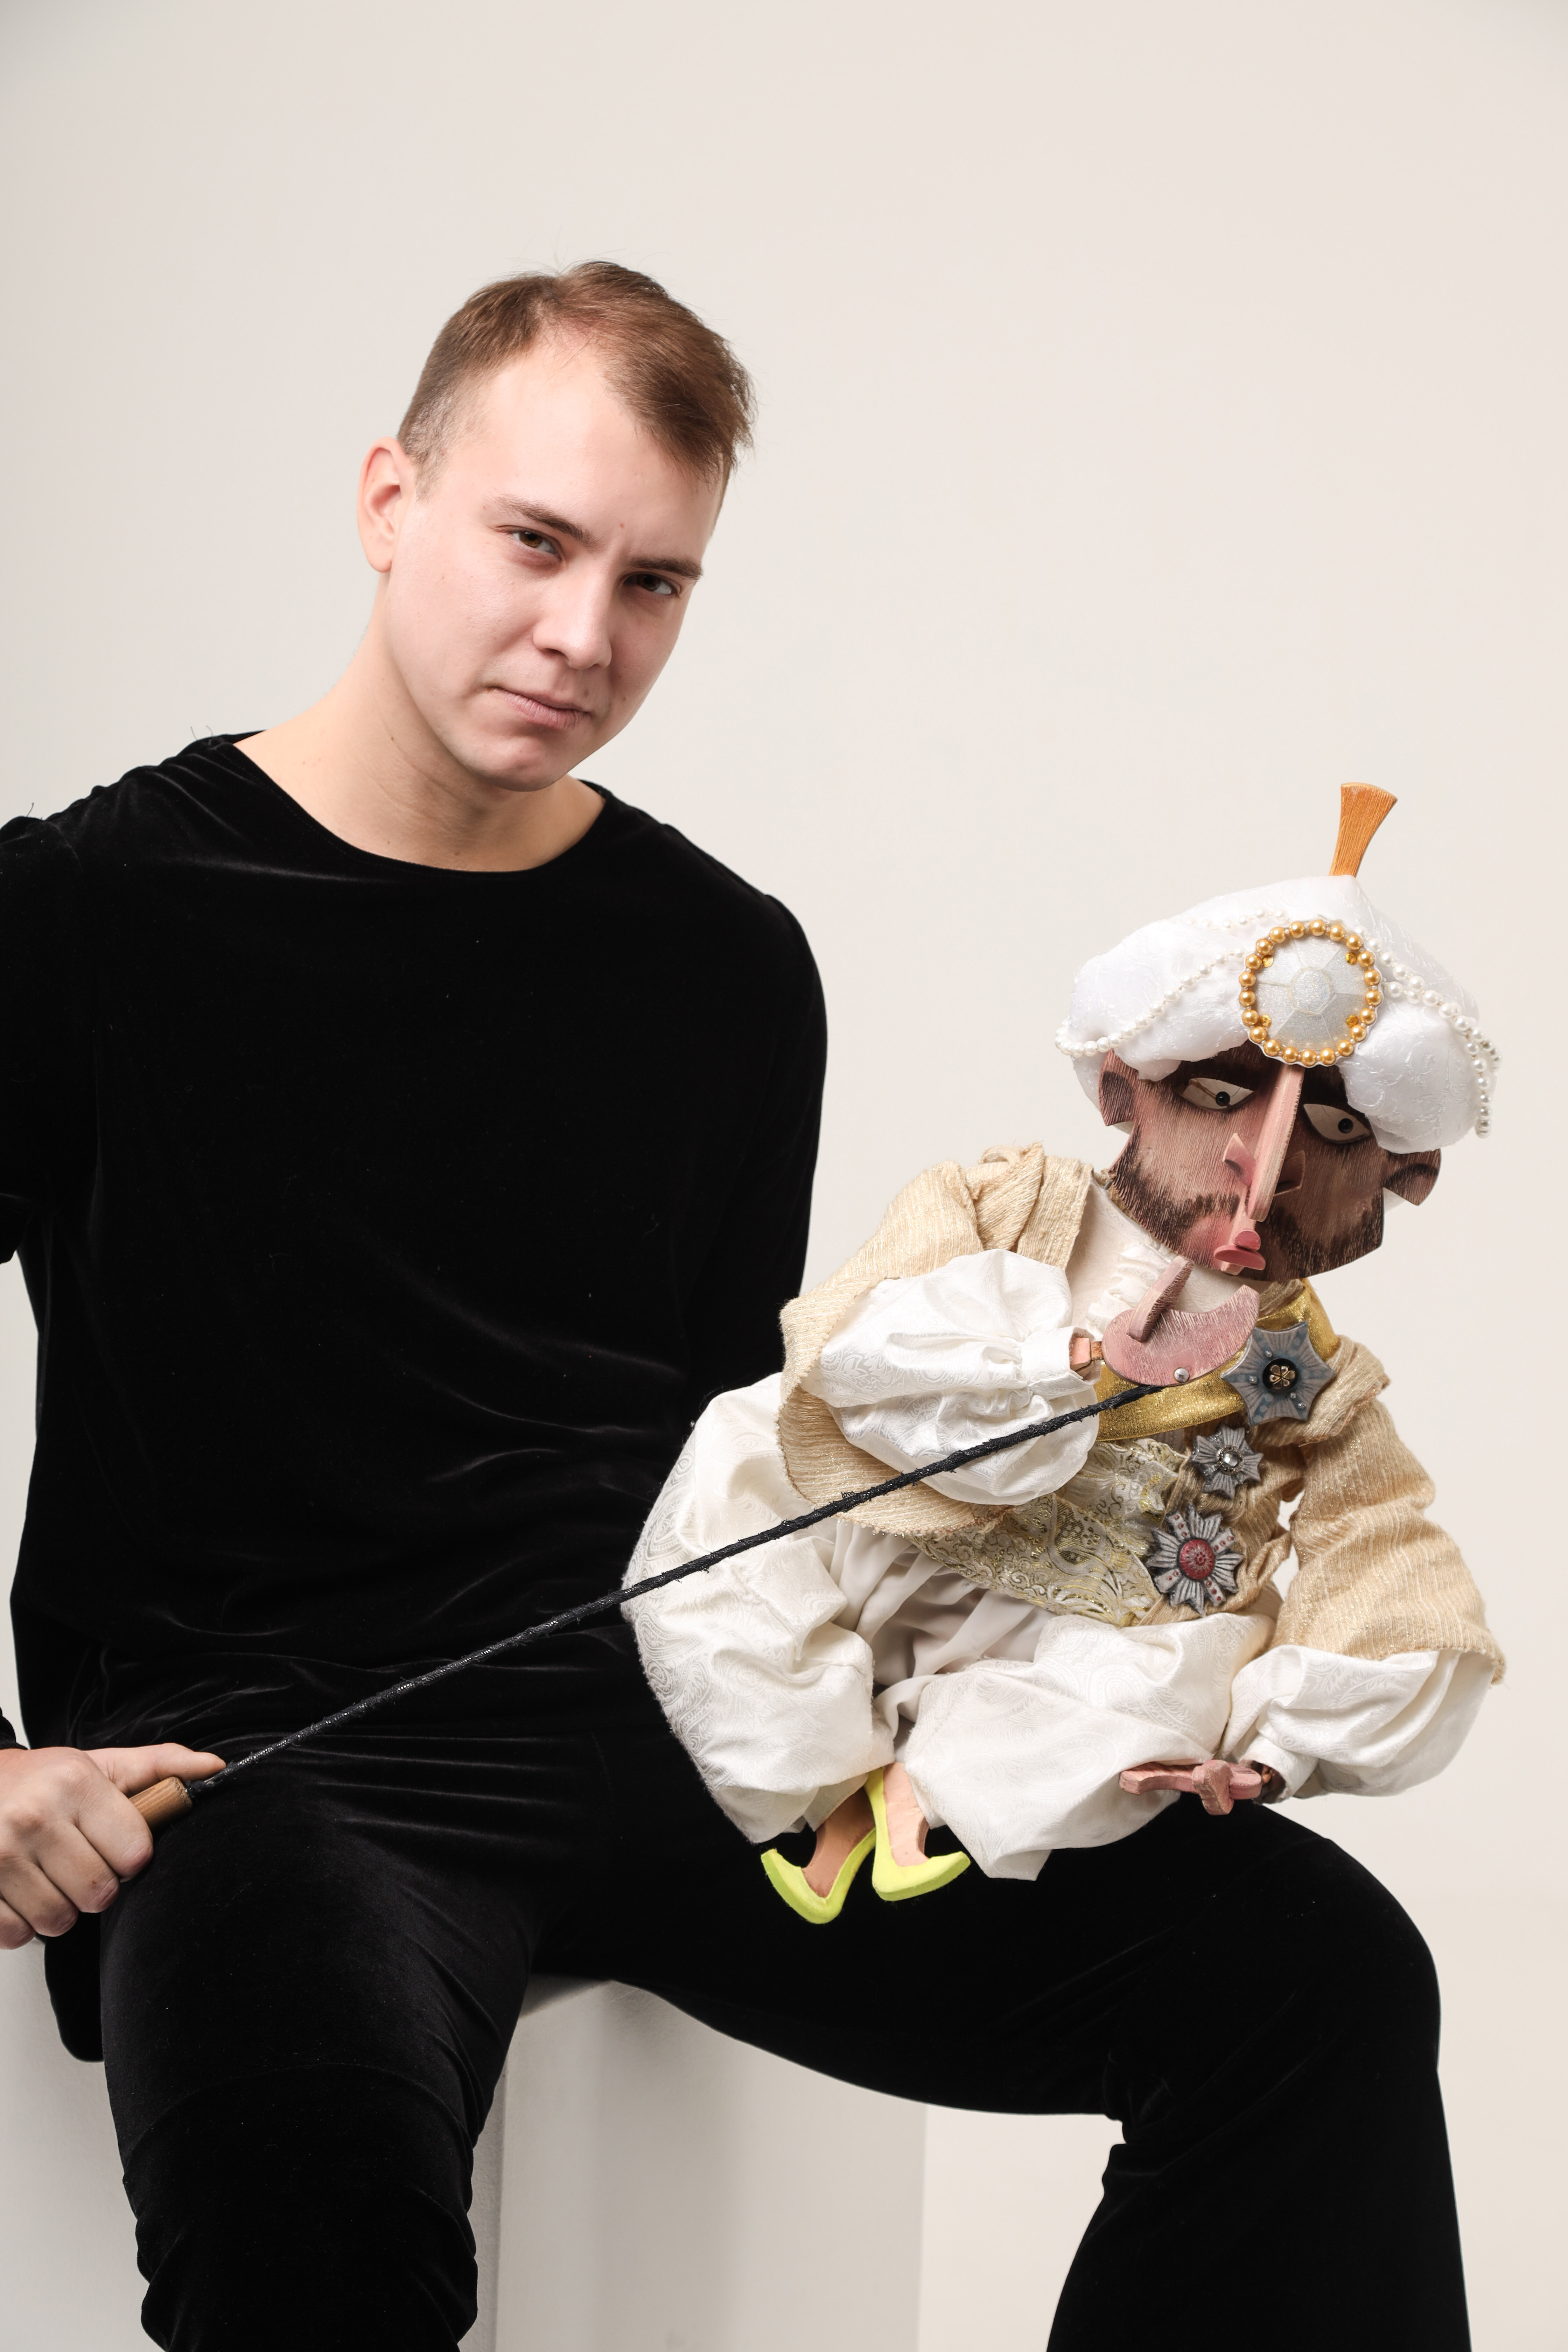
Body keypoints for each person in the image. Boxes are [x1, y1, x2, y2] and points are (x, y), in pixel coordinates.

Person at [0, 260, 1475, 2352]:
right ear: (388, 499)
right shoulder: (75, 917)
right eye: (534, 542)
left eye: (654, 582)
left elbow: (761, 1469)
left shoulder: (723, 965)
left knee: (1318, 1988)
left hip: (687, 1735)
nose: (582, 636)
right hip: (274, 1765)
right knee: (310, 2240)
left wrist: (1051, 1683)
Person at [625, 791, 1500, 1931]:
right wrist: (1068, 1363)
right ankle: (815, 1783)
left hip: (1094, 1643)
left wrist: (1278, 1749)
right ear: (1125, 1088)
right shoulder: (1004, 1204)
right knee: (731, 1479)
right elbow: (855, 1344)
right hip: (885, 1545)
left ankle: (937, 1802)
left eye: (1338, 1134)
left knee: (1166, 1688)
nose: (1264, 1164)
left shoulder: (1320, 1382)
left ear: (1401, 1181)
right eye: (1219, 1096)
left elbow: (1386, 1563)